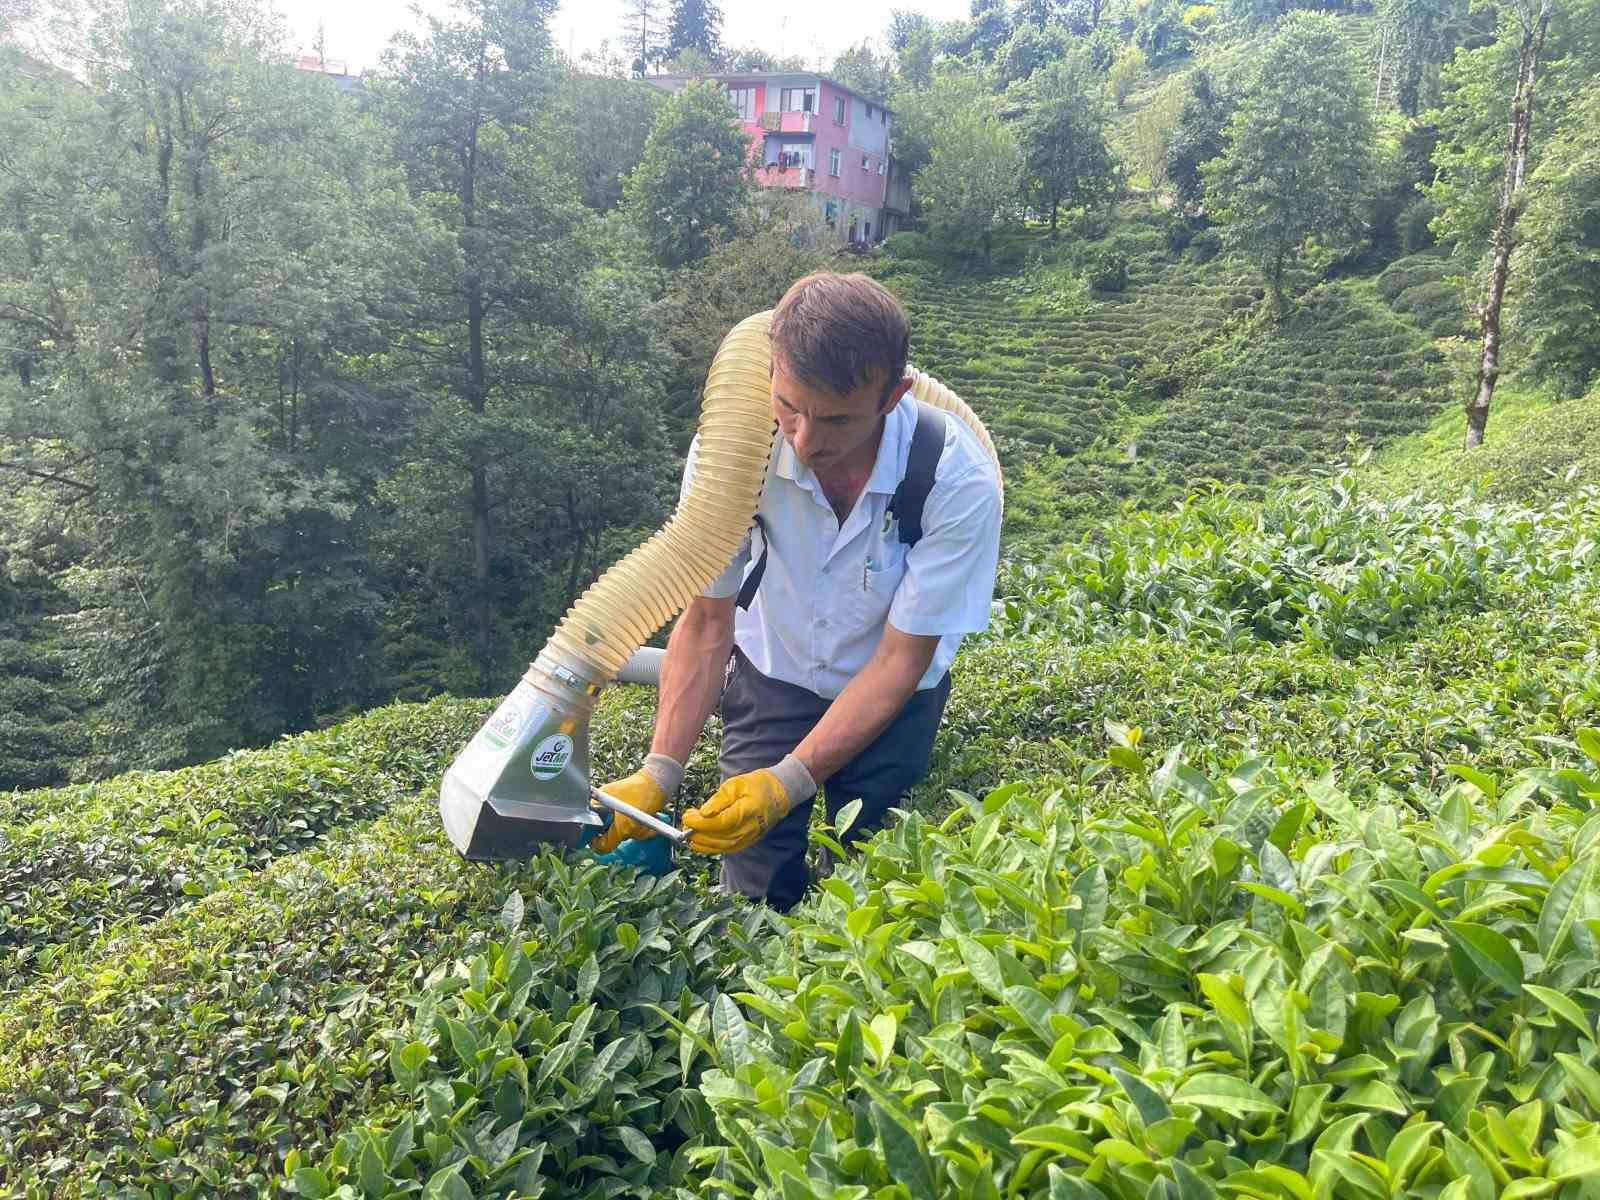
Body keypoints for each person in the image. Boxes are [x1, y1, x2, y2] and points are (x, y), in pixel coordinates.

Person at [591, 272, 1002, 910]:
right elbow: (705, 620)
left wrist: (790, 781)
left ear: (893, 396)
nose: (806, 441)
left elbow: (902, 658)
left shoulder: (955, 476)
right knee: (751, 885)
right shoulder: (734, 453)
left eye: (836, 419)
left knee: (874, 885)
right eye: (789, 407)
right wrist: (660, 770)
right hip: (771, 675)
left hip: (894, 702)